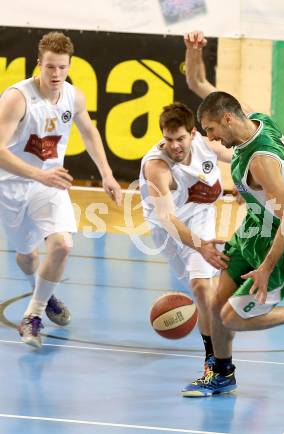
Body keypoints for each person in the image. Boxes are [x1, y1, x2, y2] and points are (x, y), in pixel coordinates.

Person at [181, 30, 284, 397]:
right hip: (253, 229)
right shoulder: (257, 119)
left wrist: (265, 268)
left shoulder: (260, 160)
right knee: (215, 305)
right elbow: (198, 82)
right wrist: (192, 50)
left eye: (212, 131)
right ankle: (223, 374)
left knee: (232, 317)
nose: (211, 139)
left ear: (228, 120)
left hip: (281, 241)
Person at [0, 31, 122, 348]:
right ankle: (46, 293)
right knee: (27, 257)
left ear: (69, 66)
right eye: (50, 67)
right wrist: (36, 176)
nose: (56, 74)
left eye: (62, 67)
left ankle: (33, 315)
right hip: (13, 185)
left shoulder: (73, 97)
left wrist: (108, 174)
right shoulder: (17, 98)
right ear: (38, 64)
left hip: (51, 183)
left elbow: (90, 132)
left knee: (63, 245)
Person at [139, 101, 233, 374]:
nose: (175, 146)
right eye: (168, 140)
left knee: (203, 289)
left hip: (201, 217)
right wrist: (201, 246)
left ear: (192, 134)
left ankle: (213, 360)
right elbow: (168, 219)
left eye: (180, 138)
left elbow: (241, 153)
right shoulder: (157, 167)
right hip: (167, 229)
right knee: (201, 288)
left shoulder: (207, 145)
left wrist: (245, 184)